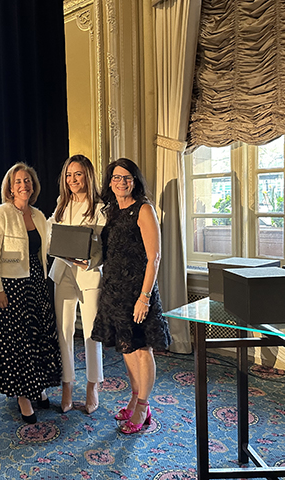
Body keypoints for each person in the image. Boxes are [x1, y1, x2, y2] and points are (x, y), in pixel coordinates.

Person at [0, 163, 62, 424]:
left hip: (36, 285)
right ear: (10, 188)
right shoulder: (0, 214)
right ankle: (23, 395)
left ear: (33, 186)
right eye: (18, 182)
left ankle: (38, 385)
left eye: (27, 181)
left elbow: (48, 247)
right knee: (19, 344)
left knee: (38, 338)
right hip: (11, 288)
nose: (24, 185)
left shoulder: (38, 215)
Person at [91, 158, 171, 434]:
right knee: (127, 349)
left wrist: (144, 297)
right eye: (116, 177)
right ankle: (136, 399)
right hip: (114, 292)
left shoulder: (144, 209)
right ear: (110, 182)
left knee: (141, 350)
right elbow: (109, 252)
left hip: (138, 293)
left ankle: (143, 406)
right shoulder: (111, 211)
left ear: (134, 181)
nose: (121, 182)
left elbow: (154, 257)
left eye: (127, 177)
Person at [48, 155, 105, 414]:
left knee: (92, 332)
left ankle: (93, 385)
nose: (72, 179)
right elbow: (50, 233)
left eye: (78, 174)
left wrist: (91, 259)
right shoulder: (61, 204)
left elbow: (106, 246)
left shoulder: (101, 208)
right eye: (69, 175)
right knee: (64, 330)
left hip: (89, 273)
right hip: (63, 272)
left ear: (88, 176)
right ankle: (67, 385)